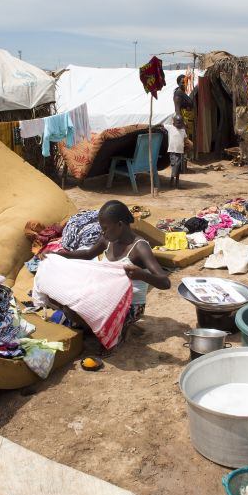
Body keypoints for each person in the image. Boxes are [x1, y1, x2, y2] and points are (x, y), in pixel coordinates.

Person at [55, 200, 170, 350]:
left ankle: (111, 332)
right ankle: (101, 328)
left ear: (120, 225)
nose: (103, 232)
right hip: (108, 298)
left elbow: (165, 282)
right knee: (62, 299)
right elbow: (88, 254)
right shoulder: (108, 240)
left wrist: (142, 275)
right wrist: (60, 255)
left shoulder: (139, 248)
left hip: (129, 306)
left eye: (105, 228)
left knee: (74, 311)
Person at [164, 115, 186, 188]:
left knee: (178, 167)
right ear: (174, 123)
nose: (179, 124)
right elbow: (161, 125)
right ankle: (172, 181)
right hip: (173, 151)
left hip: (180, 152)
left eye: (180, 123)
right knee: (175, 165)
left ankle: (176, 182)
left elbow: (185, 139)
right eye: (177, 122)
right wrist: (152, 126)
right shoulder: (170, 128)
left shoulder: (183, 130)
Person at [174, 75, 195, 142]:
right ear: (178, 83)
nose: (184, 84)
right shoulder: (178, 94)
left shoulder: (183, 93)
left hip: (189, 123)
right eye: (182, 82)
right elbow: (177, 110)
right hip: (185, 124)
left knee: (190, 141)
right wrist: (182, 125)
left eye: (186, 82)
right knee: (187, 142)